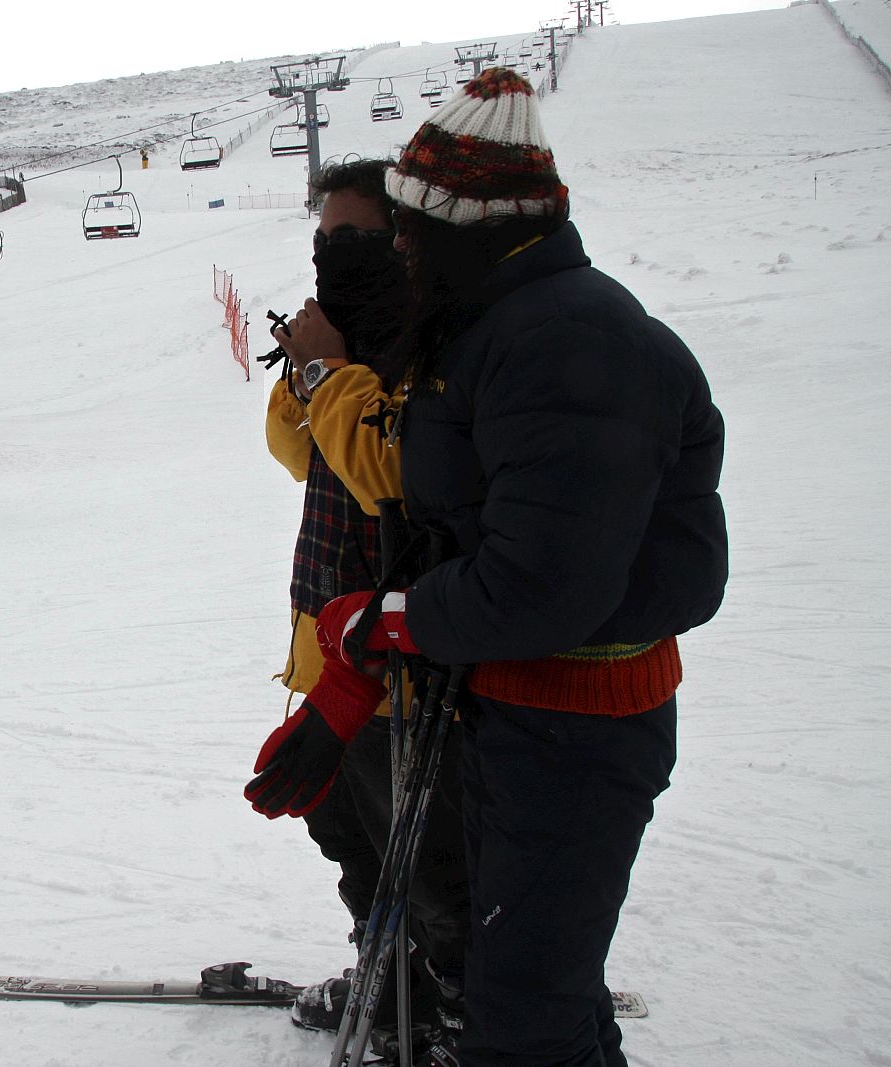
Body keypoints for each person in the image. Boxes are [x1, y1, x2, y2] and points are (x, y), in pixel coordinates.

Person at [297, 69, 728, 1067]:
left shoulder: (565, 342)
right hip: (520, 709)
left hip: (576, 723)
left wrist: (396, 616)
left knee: (522, 1016)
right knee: (530, 988)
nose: (397, 250)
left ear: (469, 227)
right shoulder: (497, 326)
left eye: (409, 231)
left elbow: (540, 584)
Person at [254, 160, 468, 1064]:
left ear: (400, 243)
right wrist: (310, 367)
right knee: (344, 831)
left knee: (425, 863)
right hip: (326, 644)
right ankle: (395, 978)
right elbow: (295, 452)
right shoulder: (344, 340)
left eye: (354, 240)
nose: (334, 259)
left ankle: (464, 1008)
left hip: (398, 663)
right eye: (323, 242)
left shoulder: (434, 344)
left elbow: (388, 470)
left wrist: (323, 368)